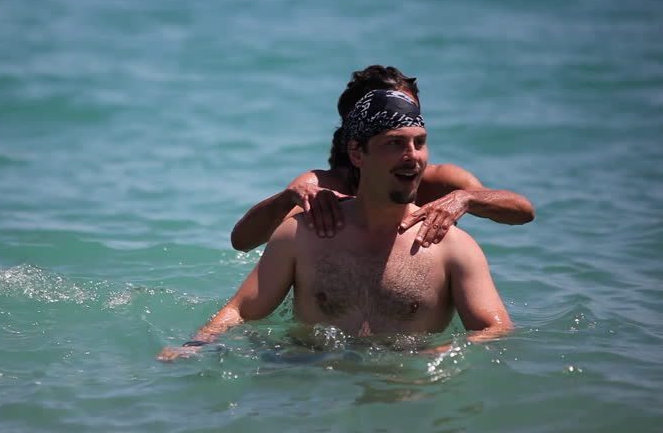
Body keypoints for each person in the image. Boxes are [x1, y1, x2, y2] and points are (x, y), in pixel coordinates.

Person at [159, 89, 513, 361]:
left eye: (419, 143)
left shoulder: (452, 247)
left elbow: (495, 329)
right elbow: (242, 309)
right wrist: (195, 345)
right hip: (311, 382)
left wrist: (439, 354)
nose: (412, 155)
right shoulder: (303, 233)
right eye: (395, 144)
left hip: (403, 392)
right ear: (358, 154)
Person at [230, 65, 534, 252]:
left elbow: (522, 211)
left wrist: (466, 199)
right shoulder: (324, 185)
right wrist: (286, 199)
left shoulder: (441, 182)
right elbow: (243, 241)